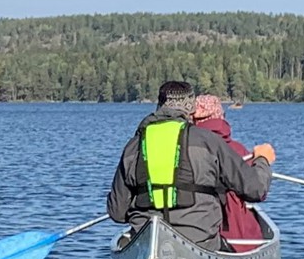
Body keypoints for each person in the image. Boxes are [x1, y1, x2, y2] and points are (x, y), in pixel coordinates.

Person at [108, 80, 274, 248]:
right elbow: (256, 189)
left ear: (159, 106)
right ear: (191, 109)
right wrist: (262, 160)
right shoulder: (210, 142)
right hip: (200, 243)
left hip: (147, 239)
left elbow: (117, 212)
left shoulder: (133, 147)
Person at [189, 94, 266, 244]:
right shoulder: (237, 150)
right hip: (233, 233)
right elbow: (256, 190)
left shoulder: (185, 147)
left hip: (194, 229)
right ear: (221, 117)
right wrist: (262, 161)